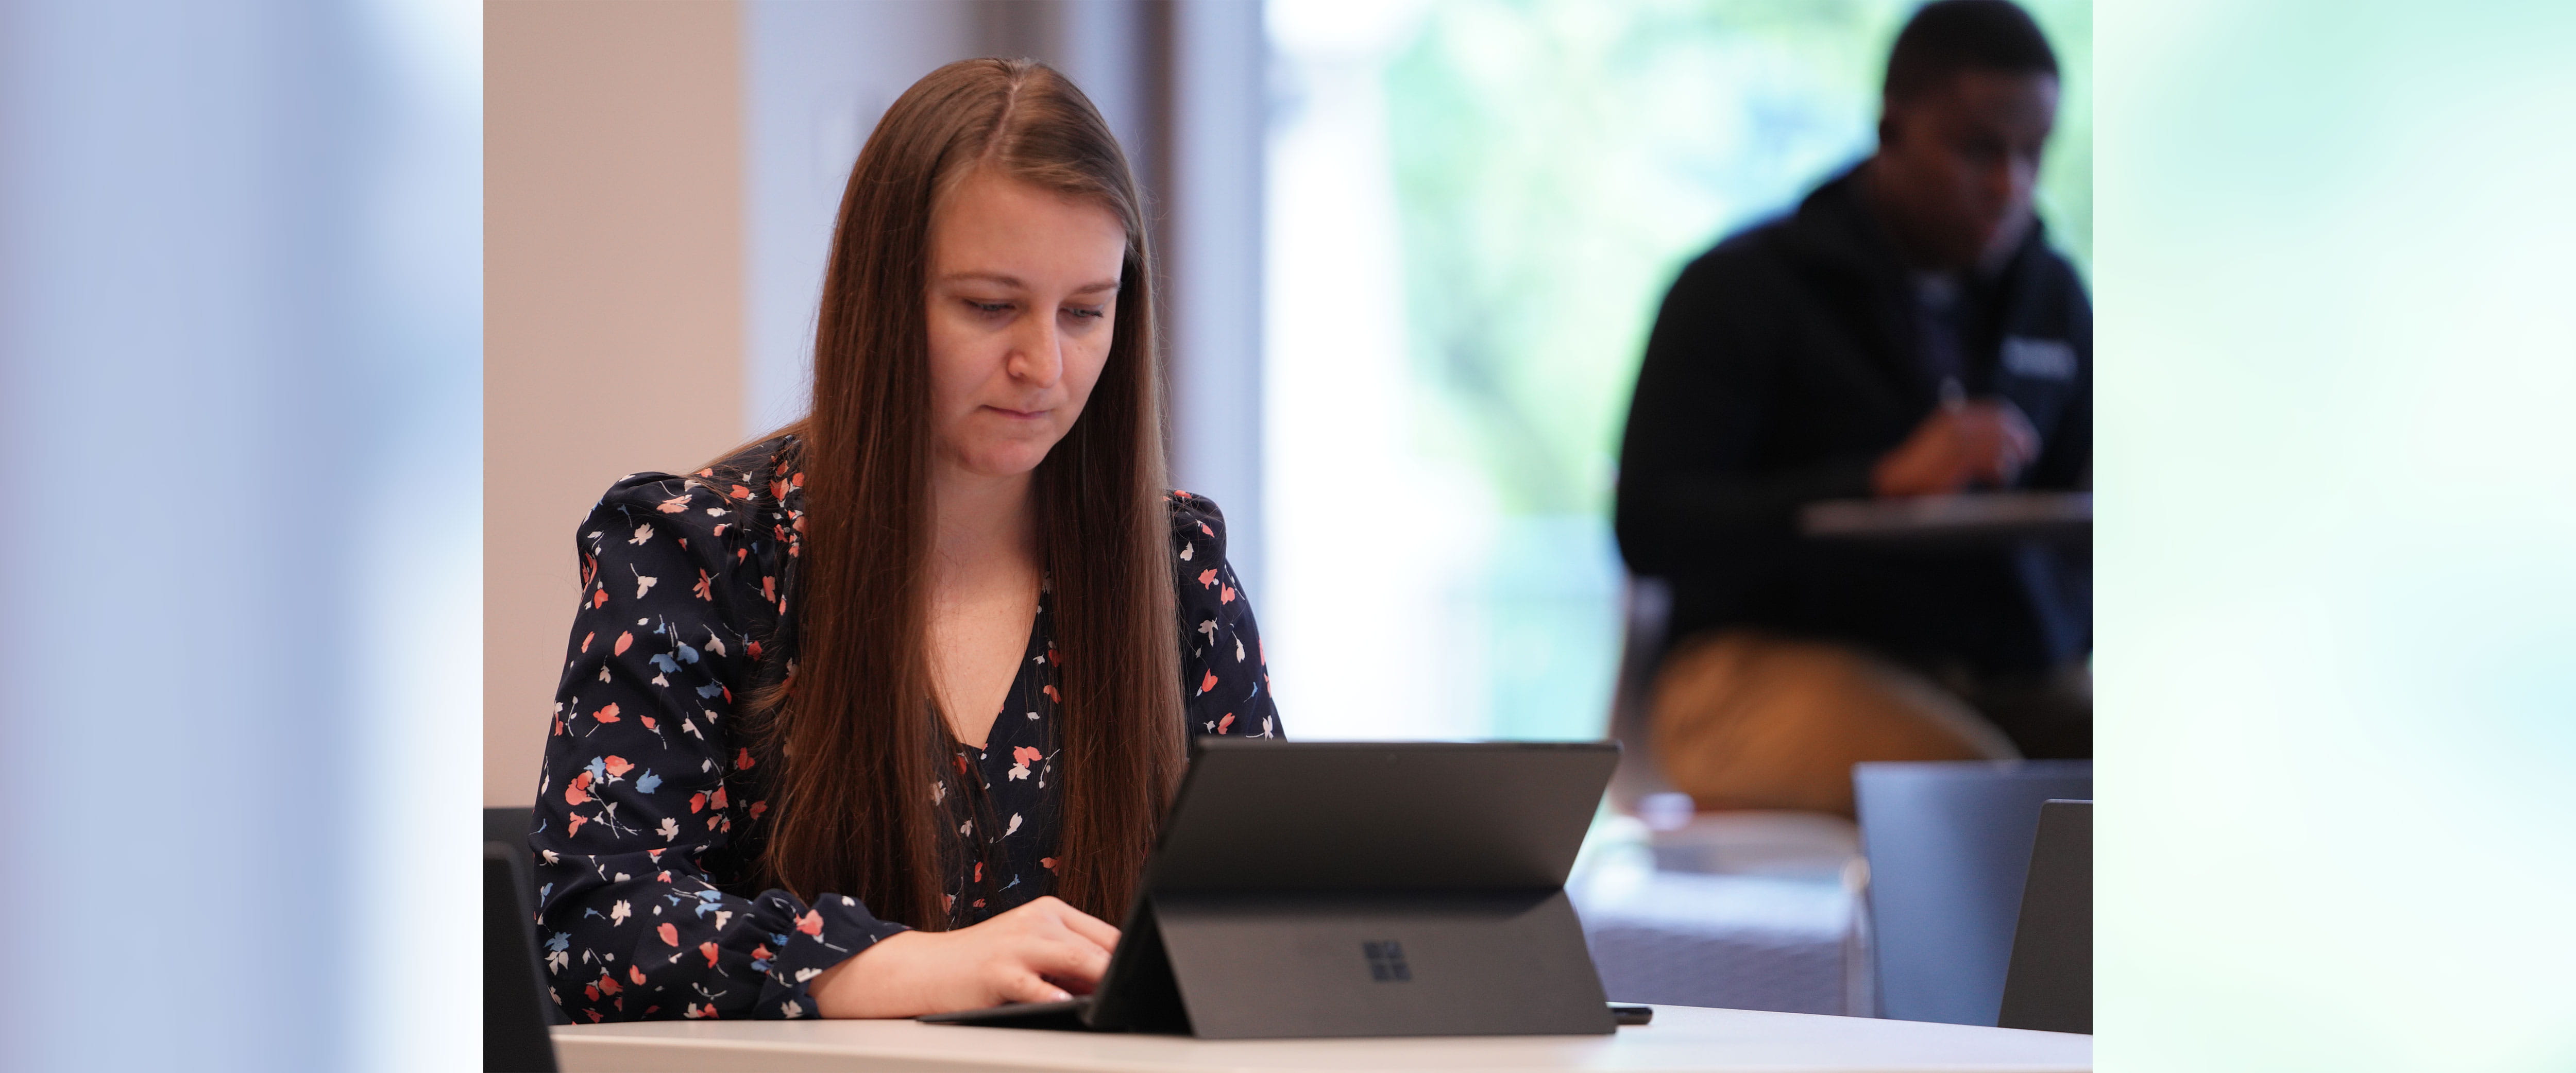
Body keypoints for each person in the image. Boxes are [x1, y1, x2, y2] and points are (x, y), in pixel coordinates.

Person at [527, 58, 1280, 1023]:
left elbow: (1262, 919)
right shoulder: (694, 557)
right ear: (883, 302)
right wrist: (899, 969)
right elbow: (594, 927)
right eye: (989, 306)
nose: (1043, 365)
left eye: (1087, 311)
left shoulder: (1178, 571)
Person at [1614, 0, 2088, 816]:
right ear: (1891, 128)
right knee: (1981, 805)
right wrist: (1877, 483)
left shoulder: (2049, 297)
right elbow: (1650, 528)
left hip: (1982, 668)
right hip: (1745, 669)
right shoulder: (1743, 288)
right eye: (1979, 150)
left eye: (2033, 153)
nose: (2010, 185)